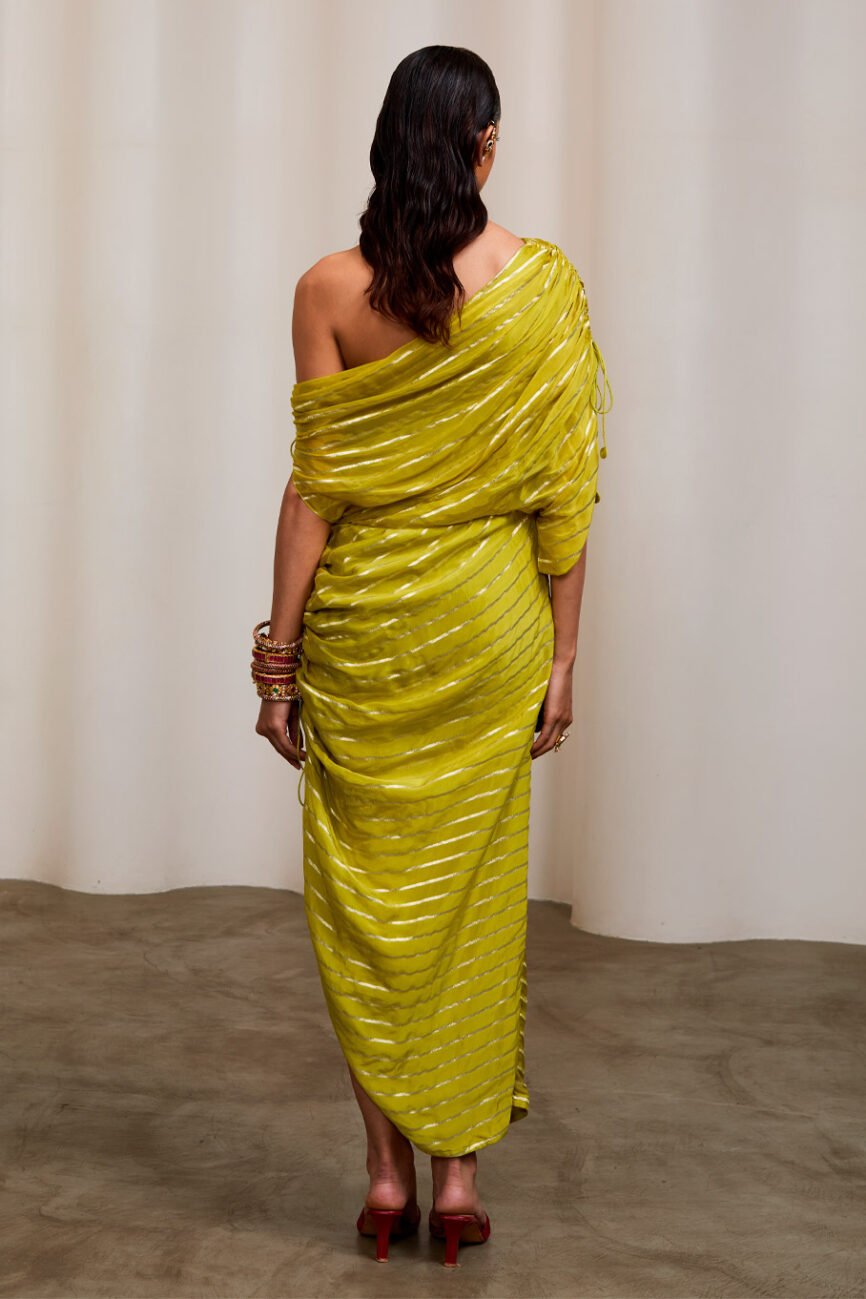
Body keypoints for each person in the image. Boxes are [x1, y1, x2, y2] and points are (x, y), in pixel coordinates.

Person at [252, 45, 612, 1268]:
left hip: (368, 639)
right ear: (483, 144)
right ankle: (456, 1183)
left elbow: (314, 492)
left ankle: (383, 1177)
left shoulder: (326, 289)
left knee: (366, 911)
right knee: (470, 906)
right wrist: (562, 659)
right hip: (485, 633)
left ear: (384, 141)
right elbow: (565, 495)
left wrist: (278, 665)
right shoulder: (542, 286)